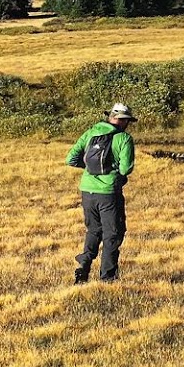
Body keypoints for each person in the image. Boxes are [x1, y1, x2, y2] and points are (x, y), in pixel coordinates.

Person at [66, 102, 137, 283]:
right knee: (112, 234)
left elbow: (71, 159)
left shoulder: (90, 132)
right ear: (122, 120)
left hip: (87, 190)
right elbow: (125, 168)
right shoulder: (123, 138)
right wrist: (109, 171)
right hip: (108, 192)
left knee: (94, 230)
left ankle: (84, 264)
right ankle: (108, 278)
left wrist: (91, 168)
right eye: (127, 121)